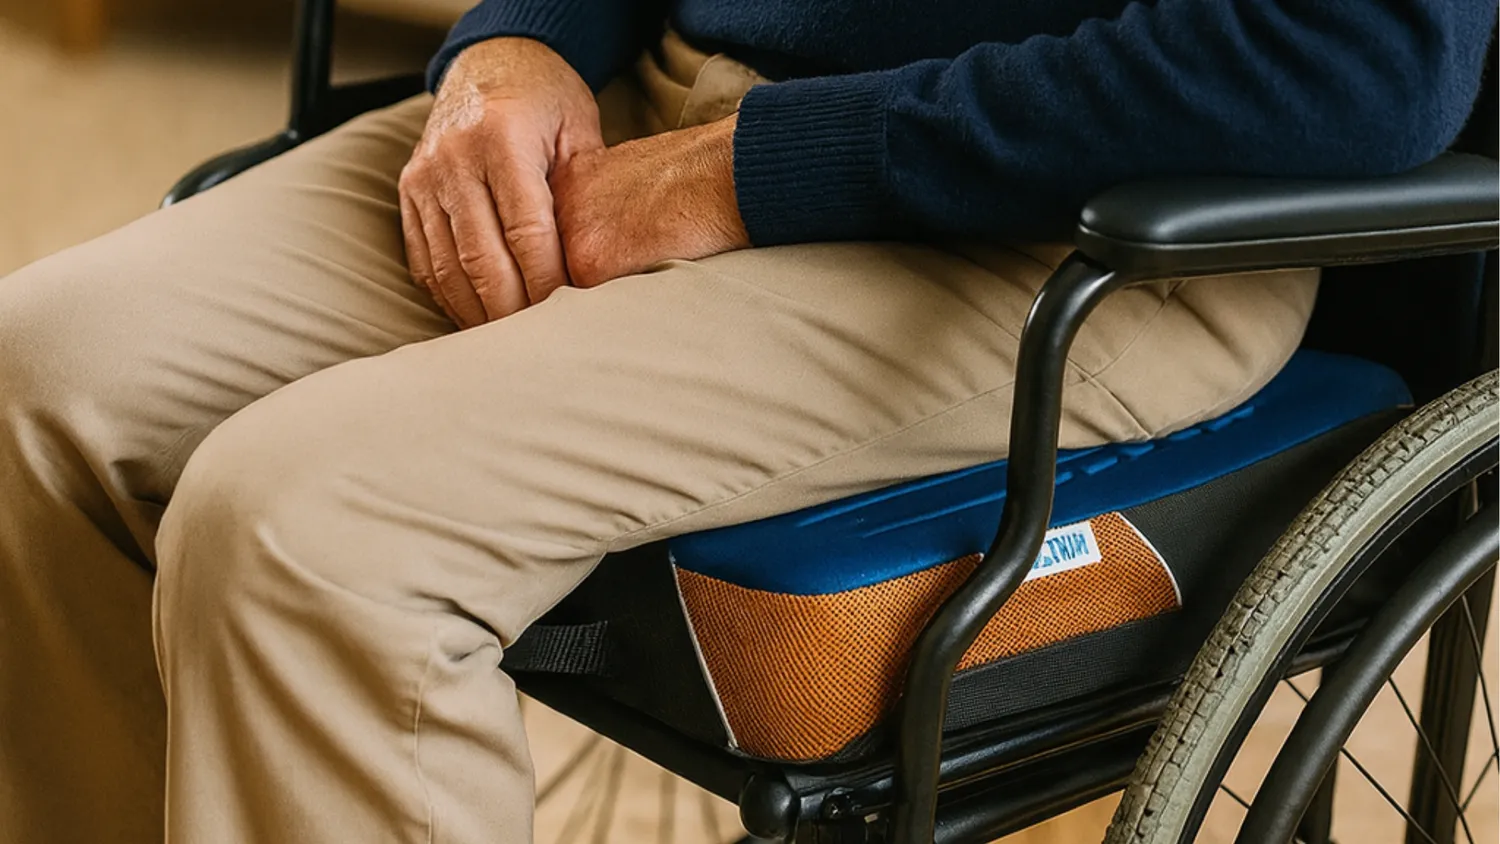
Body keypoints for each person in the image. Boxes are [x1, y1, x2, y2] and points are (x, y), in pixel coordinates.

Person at [0, 1, 1492, 841]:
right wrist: (513, 45)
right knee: (41, 374)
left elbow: (1354, 68)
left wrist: (750, 174)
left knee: (306, 529)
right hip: (651, 96)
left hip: (1055, 231)